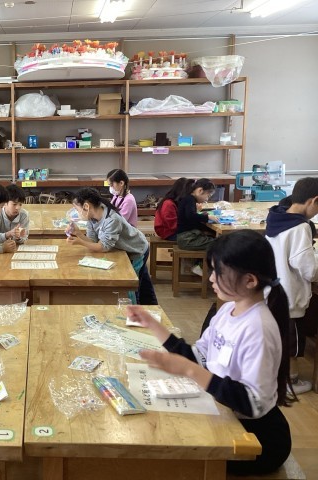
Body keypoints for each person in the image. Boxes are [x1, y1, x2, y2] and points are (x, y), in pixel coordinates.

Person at [129, 230, 293, 476]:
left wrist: (189, 370)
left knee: (169, 457)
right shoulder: (227, 311)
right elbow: (200, 356)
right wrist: (153, 325)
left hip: (257, 439)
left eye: (219, 272)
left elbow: (252, 403)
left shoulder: (258, 328)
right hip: (224, 413)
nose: (211, 278)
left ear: (250, 280)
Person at [265, 177, 318, 394]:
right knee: (292, 344)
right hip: (290, 296)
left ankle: (276, 377)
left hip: (273, 292)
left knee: (278, 338)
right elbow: (309, 269)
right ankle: (290, 382)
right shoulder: (300, 227)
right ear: (313, 200)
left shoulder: (276, 218)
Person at [66, 188, 157, 305]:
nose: (76, 212)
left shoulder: (112, 219)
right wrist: (78, 233)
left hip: (136, 250)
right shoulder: (92, 217)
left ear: (86, 207)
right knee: (143, 284)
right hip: (122, 250)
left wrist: (80, 242)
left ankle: (134, 310)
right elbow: (93, 241)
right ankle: (150, 305)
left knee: (130, 285)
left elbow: (103, 247)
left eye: (77, 209)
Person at [176, 177, 218, 252]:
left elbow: (191, 218)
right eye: (208, 196)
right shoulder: (190, 199)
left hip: (188, 237)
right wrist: (208, 217)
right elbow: (191, 216)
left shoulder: (188, 198)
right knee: (219, 243)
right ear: (200, 191)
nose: (207, 199)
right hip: (187, 239)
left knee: (216, 239)